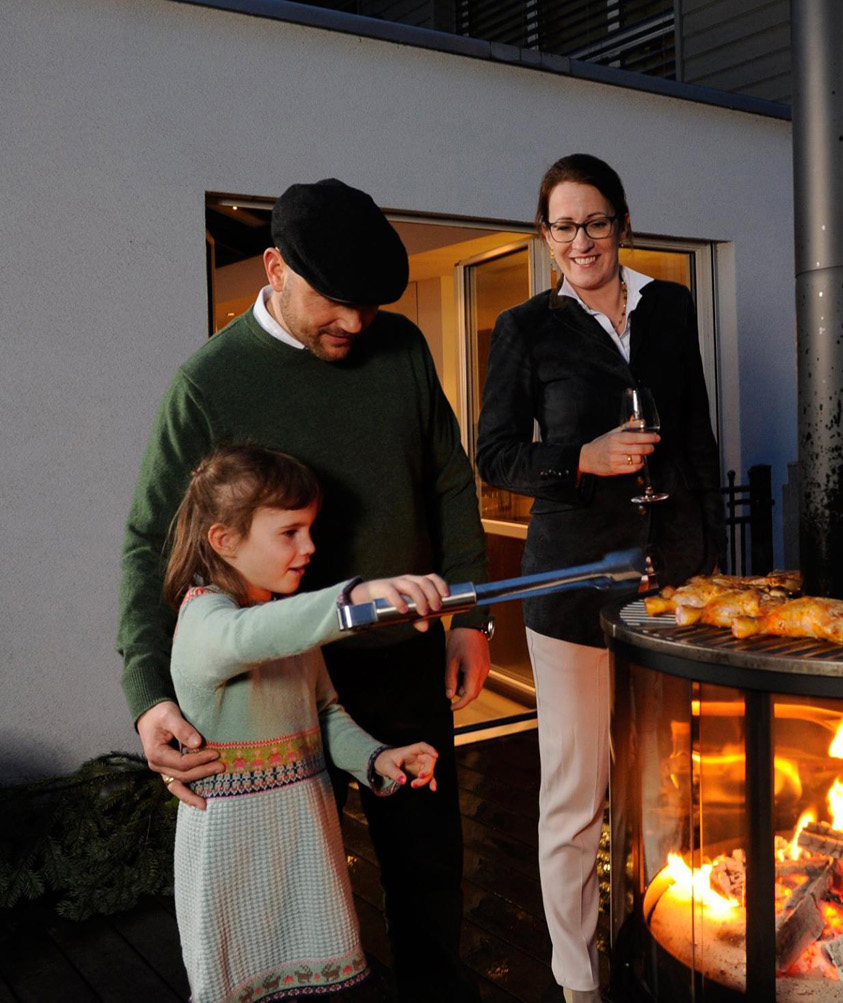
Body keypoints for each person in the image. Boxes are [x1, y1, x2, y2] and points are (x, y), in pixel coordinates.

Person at [118, 177, 488, 1002]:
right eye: (336, 302)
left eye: (368, 305)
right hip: (274, 690)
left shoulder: (401, 349)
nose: (354, 324)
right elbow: (151, 542)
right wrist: (148, 694)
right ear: (275, 267)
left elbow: (448, 476)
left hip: (402, 662)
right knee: (293, 905)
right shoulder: (207, 384)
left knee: (429, 881)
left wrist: (468, 613)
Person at [475, 153, 724, 1003]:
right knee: (577, 792)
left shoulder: (672, 305)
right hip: (573, 585)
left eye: (596, 221)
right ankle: (580, 980)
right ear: (545, 237)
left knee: (664, 781)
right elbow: (495, 452)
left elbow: (695, 438)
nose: (581, 240)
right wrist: (580, 458)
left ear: (624, 221)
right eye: (563, 225)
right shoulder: (527, 328)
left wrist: (711, 567)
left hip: (668, 582)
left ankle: (660, 941)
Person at [165, 444, 444, 1002]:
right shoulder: (205, 621)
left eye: (310, 530)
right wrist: (355, 599)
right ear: (225, 540)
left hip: (305, 848)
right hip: (233, 863)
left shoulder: (288, 622)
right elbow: (248, 637)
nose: (310, 547)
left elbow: (323, 714)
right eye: (289, 532)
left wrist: (375, 758)